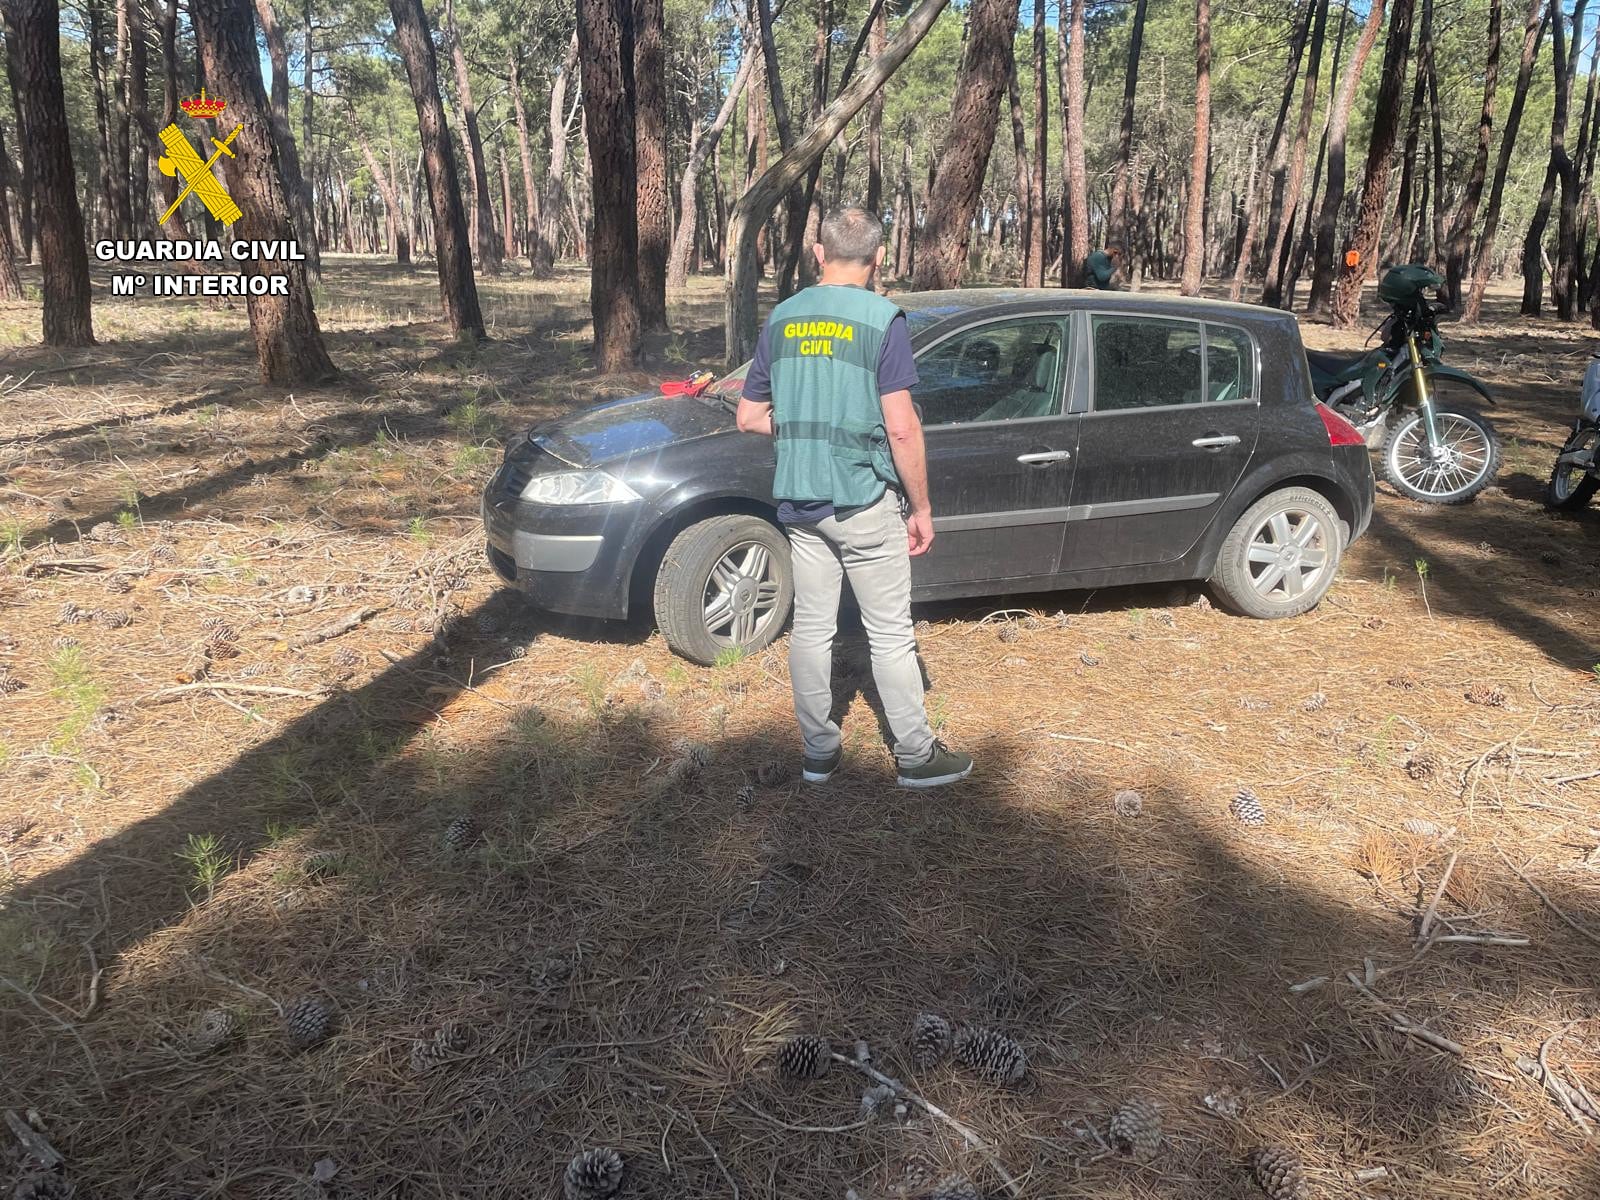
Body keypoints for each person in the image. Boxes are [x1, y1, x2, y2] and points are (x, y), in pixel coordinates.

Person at [735, 206, 973, 789]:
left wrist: (805, 428)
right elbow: (901, 428)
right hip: (864, 500)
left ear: (819, 253)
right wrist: (921, 508)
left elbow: (749, 417)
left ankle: (819, 752)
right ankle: (916, 757)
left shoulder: (782, 317)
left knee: (812, 628)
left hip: (799, 501)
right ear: (879, 257)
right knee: (890, 633)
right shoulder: (882, 319)